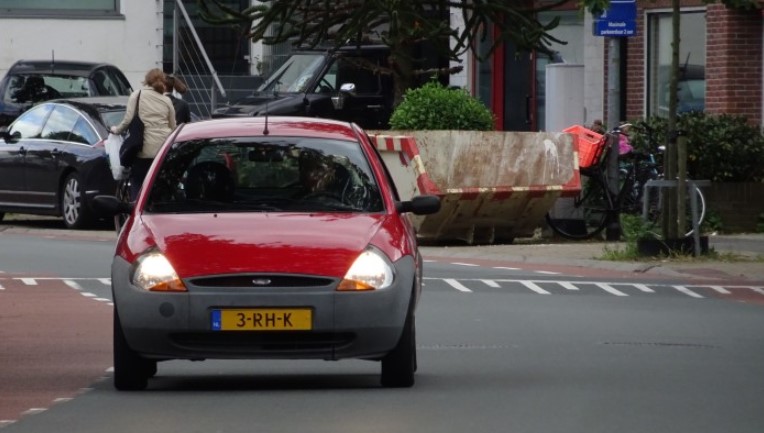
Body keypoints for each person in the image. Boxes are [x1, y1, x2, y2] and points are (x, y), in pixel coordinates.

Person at [111, 68, 176, 199]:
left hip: (144, 150)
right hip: (162, 151)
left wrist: (115, 130)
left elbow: (128, 120)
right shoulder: (166, 100)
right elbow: (173, 126)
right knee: (158, 185)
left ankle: (137, 210)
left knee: (138, 183)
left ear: (146, 81)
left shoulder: (137, 95)